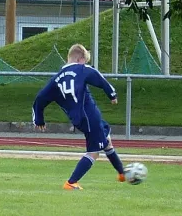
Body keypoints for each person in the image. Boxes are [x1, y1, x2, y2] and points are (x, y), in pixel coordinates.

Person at [32, 44, 126, 190]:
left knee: (106, 140)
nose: (86, 64)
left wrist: (39, 119)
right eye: (85, 61)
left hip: (78, 119)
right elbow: (98, 77)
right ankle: (71, 182)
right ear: (80, 59)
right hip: (90, 116)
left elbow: (40, 98)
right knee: (94, 152)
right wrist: (112, 94)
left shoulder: (56, 79)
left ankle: (122, 173)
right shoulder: (81, 69)